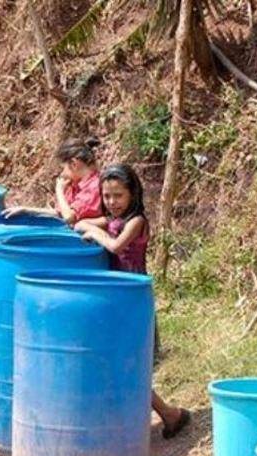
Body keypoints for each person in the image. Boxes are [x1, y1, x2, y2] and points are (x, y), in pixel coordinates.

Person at [76, 163, 191, 439]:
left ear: (133, 194)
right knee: (116, 362)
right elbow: (80, 223)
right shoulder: (112, 221)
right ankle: (164, 415)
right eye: (106, 196)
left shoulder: (136, 221)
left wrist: (95, 232)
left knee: (129, 364)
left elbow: (116, 246)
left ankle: (170, 414)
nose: (112, 202)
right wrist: (88, 224)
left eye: (118, 196)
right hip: (113, 299)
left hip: (132, 299)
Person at [2, 138, 103, 225]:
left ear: (74, 164)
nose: (62, 174)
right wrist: (25, 210)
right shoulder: (75, 184)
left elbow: (68, 217)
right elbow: (60, 213)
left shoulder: (94, 186)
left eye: (63, 169)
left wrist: (59, 191)